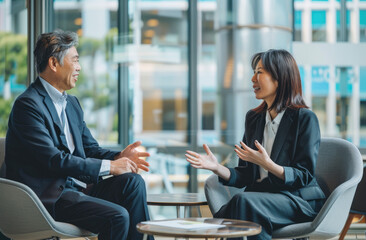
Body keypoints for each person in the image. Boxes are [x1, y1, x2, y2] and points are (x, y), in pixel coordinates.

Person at [5, 30, 153, 240]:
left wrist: (118, 157)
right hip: (48, 197)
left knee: (133, 183)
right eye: (74, 60)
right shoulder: (28, 105)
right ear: (54, 64)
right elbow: (53, 160)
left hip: (78, 190)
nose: (79, 67)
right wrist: (111, 167)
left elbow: (90, 149)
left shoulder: (71, 104)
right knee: (117, 216)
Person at [185, 49, 325, 240]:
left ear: (280, 77)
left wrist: (269, 165)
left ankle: (212, 227)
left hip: (297, 199)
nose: (253, 79)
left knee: (242, 203)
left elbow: (304, 175)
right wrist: (216, 167)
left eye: (260, 72)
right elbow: (245, 174)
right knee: (243, 204)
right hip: (261, 198)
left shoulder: (305, 118)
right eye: (254, 72)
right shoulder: (254, 118)